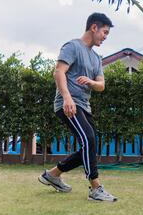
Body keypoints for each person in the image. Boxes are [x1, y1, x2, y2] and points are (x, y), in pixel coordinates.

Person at [38, 13, 117, 202]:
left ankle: (53, 175)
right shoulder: (72, 46)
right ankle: (95, 188)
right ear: (94, 27)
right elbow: (59, 72)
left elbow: (101, 85)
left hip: (84, 106)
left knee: (89, 146)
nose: (105, 37)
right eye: (104, 32)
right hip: (69, 104)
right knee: (89, 139)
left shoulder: (96, 58)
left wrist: (90, 81)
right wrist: (66, 98)